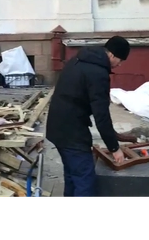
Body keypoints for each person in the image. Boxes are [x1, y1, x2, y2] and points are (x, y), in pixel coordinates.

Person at [45, 36, 137, 199]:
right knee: (84, 179)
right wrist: (115, 148)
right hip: (72, 132)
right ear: (112, 55)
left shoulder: (78, 60)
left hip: (56, 126)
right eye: (120, 60)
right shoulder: (98, 73)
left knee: (72, 174)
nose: (119, 65)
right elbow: (101, 115)